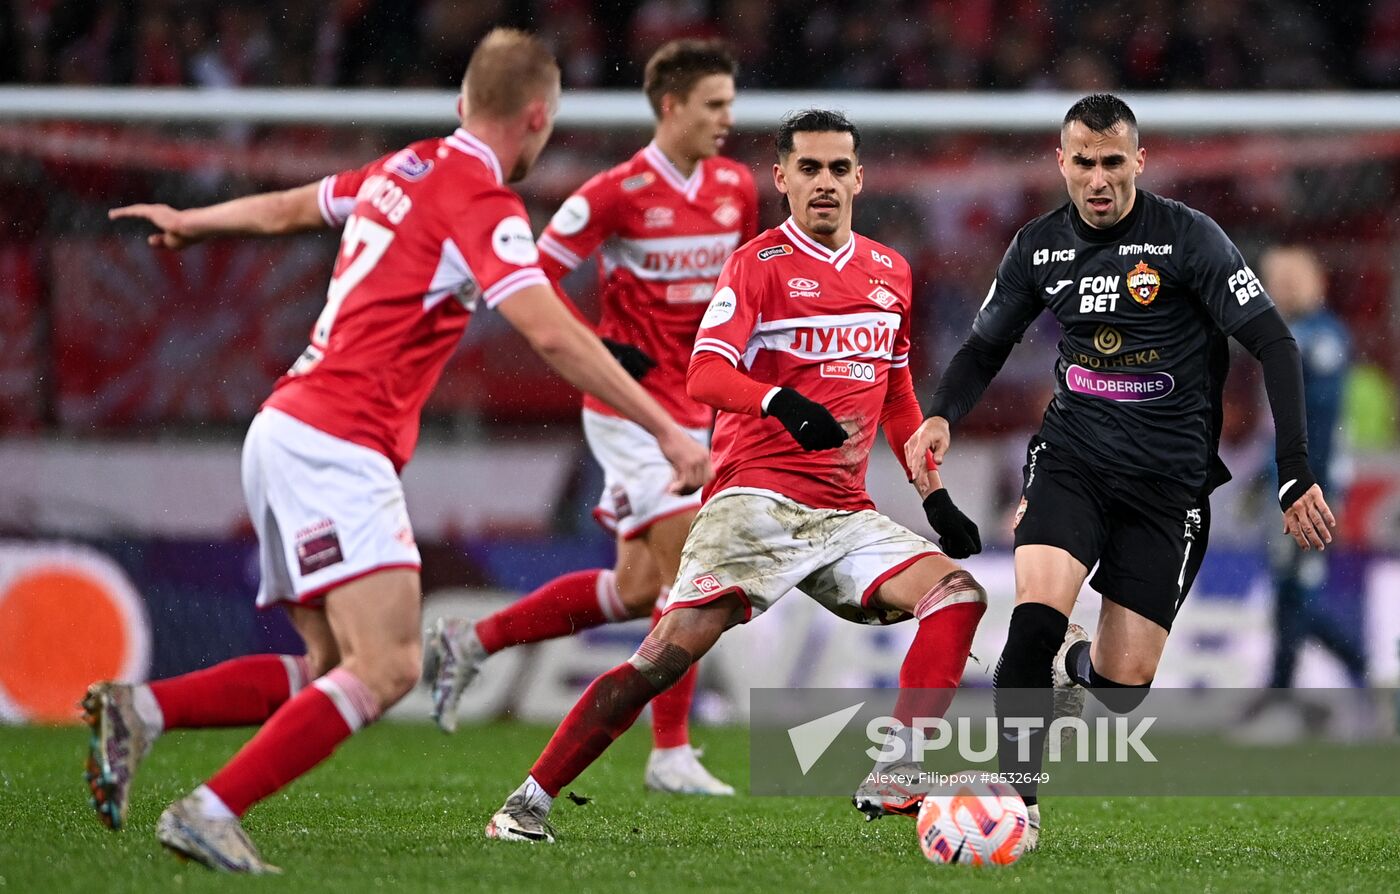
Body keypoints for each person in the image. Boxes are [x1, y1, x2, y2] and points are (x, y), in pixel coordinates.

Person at [84, 28, 712, 874]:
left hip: (284, 426)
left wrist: (192, 221)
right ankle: (208, 809)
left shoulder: (402, 168)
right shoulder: (481, 202)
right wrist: (665, 426)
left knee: (334, 665)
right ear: (537, 117)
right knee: (388, 666)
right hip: (338, 438)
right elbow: (548, 332)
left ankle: (144, 711)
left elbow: (286, 208)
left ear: (462, 105)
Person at [481, 109, 988, 844]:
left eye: (838, 168)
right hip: (754, 503)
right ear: (781, 179)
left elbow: (899, 393)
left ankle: (900, 767)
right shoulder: (757, 264)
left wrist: (934, 497)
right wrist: (780, 400)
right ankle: (526, 802)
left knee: (956, 592)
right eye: (808, 169)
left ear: (860, 177)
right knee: (661, 659)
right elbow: (705, 374)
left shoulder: (890, 271)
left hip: (845, 513)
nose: (824, 183)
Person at [905, 93, 1335, 853]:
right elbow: (982, 347)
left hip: (1169, 488)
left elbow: (1275, 344)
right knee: (1032, 617)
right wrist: (943, 413)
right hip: (1072, 458)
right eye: (1084, 163)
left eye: (1113, 162)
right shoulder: (1038, 248)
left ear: (1139, 161)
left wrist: (1296, 471)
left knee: (1122, 689)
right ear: (1060, 162)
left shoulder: (1189, 239)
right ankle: (1018, 803)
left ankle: (1077, 667)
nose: (1098, 179)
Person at [423, 39, 758, 796]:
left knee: (639, 588)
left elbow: (737, 292)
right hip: (631, 411)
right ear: (670, 107)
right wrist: (606, 346)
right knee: (693, 571)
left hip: (700, 401)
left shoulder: (736, 186)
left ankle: (473, 639)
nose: (726, 120)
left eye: (730, 106)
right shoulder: (612, 193)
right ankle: (670, 751)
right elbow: (527, 281)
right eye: (713, 106)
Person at [1255, 246, 1364, 690]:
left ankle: (1359, 670)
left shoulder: (1320, 339)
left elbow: (1314, 424)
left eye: (1276, 281)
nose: (1269, 290)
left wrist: (1302, 487)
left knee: (1296, 595)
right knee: (1288, 594)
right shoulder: (1294, 334)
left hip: (1309, 488)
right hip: (1290, 484)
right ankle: (1286, 692)